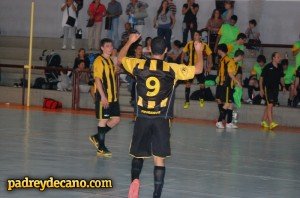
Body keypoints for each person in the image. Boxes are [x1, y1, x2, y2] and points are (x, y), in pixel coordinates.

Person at [118, 34, 204, 198]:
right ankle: (156, 194)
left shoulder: (139, 64)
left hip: (142, 117)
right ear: (166, 50)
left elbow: (120, 58)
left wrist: (130, 41)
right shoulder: (172, 68)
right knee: (159, 159)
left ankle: (135, 181)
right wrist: (198, 51)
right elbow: (198, 69)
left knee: (138, 154)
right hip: (161, 119)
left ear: (149, 49)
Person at [89, 38, 120, 157]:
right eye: (107, 46)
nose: (110, 48)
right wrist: (103, 96)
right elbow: (97, 79)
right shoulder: (99, 61)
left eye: (111, 46)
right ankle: (101, 148)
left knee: (116, 119)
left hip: (113, 96)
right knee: (103, 120)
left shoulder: (111, 61)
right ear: (102, 48)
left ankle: (97, 137)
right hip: (104, 96)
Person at [181, 30, 213, 109]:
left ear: (200, 36)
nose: (194, 36)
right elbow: (183, 52)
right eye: (194, 35)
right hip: (190, 67)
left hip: (200, 68)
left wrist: (209, 64)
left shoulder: (204, 45)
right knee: (188, 84)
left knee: (202, 84)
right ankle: (187, 101)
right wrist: (182, 62)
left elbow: (209, 54)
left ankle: (201, 98)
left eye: (196, 35)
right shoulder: (189, 44)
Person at [215, 44, 241, 129]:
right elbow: (229, 73)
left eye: (218, 50)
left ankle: (228, 122)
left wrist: (236, 82)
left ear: (221, 50)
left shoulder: (228, 60)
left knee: (230, 104)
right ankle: (219, 121)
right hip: (225, 84)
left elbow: (230, 73)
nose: (217, 51)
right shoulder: (223, 59)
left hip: (227, 85)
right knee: (227, 103)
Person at [260, 52, 286, 130]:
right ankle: (271, 122)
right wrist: (261, 89)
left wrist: (283, 86)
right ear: (273, 58)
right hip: (268, 89)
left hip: (276, 89)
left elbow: (281, 78)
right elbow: (261, 78)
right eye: (278, 57)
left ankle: (263, 121)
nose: (280, 58)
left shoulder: (280, 67)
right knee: (270, 105)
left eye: (280, 57)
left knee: (269, 105)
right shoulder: (267, 67)